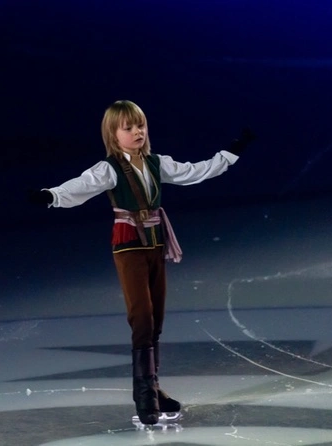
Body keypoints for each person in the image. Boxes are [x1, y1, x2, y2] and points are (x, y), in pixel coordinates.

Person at [28, 100, 255, 425]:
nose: (137, 132)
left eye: (141, 126)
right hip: (128, 246)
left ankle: (154, 389)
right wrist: (51, 195)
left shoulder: (156, 163)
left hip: (155, 243)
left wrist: (232, 152)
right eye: (128, 127)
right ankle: (145, 397)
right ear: (113, 134)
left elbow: (195, 172)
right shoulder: (109, 169)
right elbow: (82, 186)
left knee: (155, 319)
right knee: (142, 318)